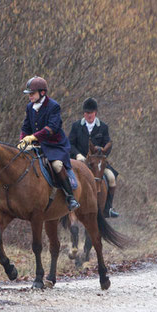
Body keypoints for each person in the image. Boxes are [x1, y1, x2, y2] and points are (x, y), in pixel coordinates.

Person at [18, 76, 80, 211]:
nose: (30, 97)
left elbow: (51, 129)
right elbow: (25, 127)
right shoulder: (30, 107)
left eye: (32, 94)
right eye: (29, 94)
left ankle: (70, 197)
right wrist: (22, 140)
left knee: (57, 165)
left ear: (42, 93)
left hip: (55, 145)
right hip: (38, 145)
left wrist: (32, 137)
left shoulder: (53, 106)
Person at [68, 97, 119, 218]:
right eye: (86, 113)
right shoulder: (76, 126)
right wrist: (77, 155)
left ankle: (108, 208)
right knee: (66, 177)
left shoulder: (103, 127)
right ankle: (66, 206)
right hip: (80, 161)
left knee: (111, 178)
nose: (88, 115)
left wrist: (101, 153)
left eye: (90, 113)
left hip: (97, 163)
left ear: (95, 113)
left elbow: (108, 145)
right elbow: (70, 144)